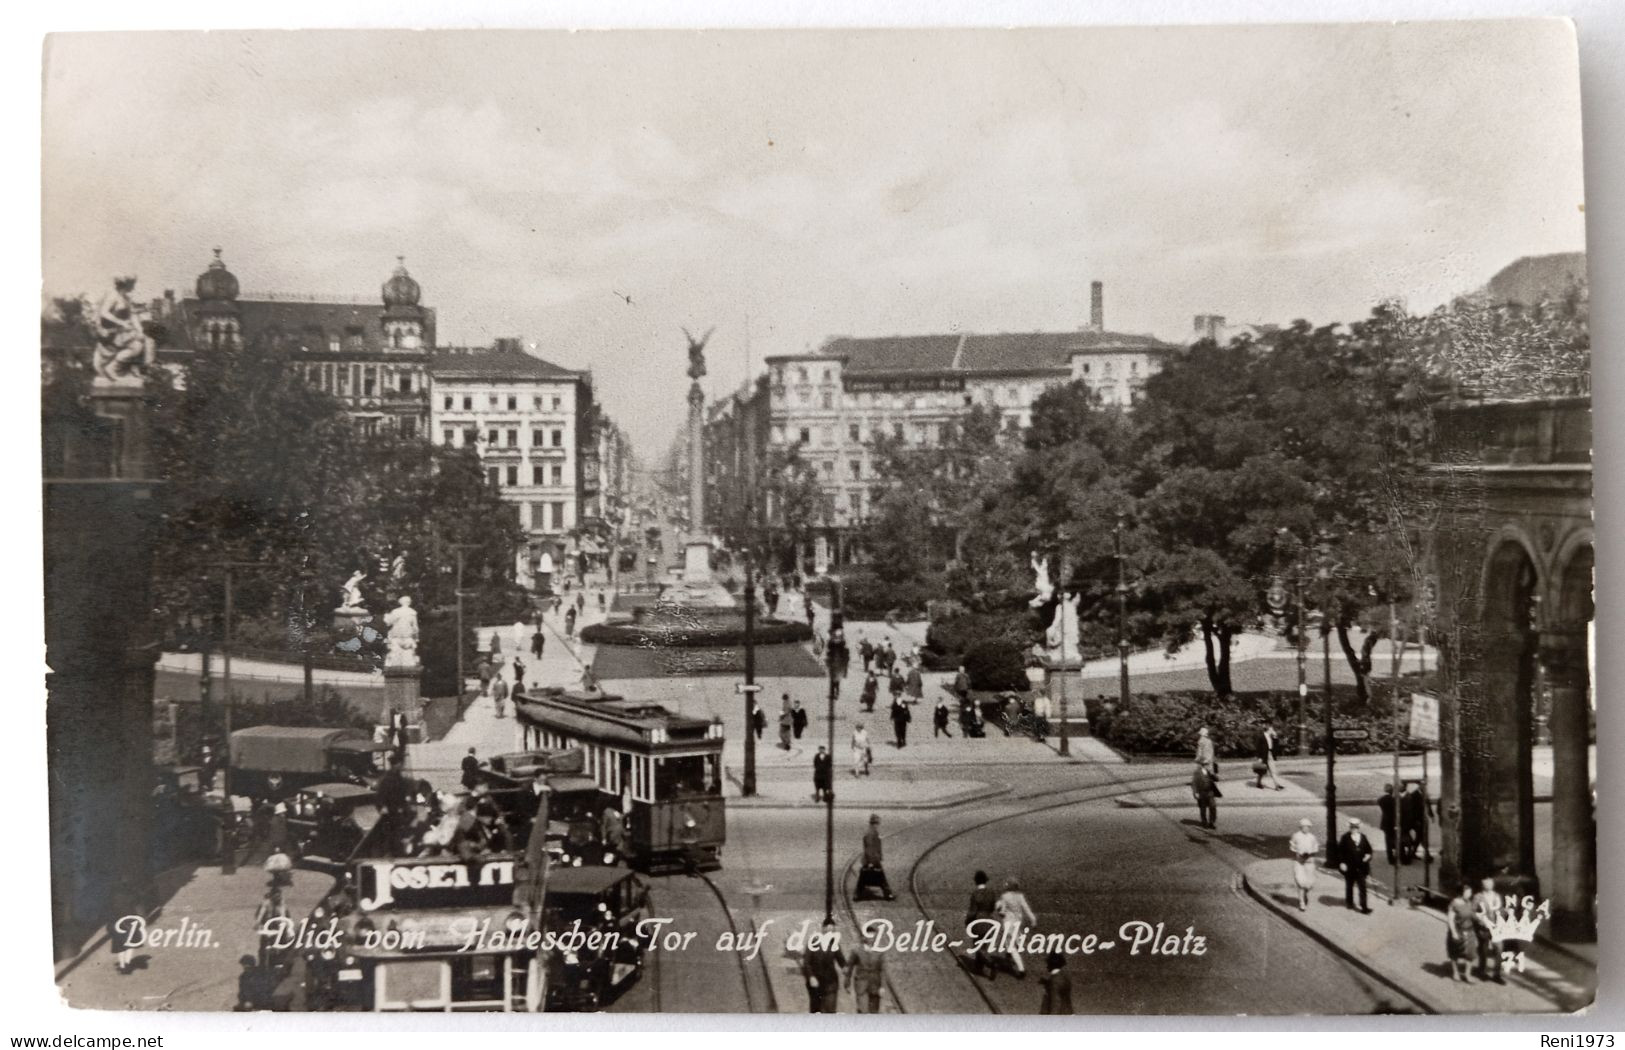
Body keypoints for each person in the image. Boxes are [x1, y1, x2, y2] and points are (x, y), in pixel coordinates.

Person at [995, 876, 1037, 978]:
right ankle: (1009, 957)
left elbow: (1002, 911)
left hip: (1008, 923)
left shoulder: (1005, 896)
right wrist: (1033, 920)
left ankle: (1021, 969)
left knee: (1010, 945)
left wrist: (999, 909)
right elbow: (1026, 908)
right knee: (1016, 941)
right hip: (1017, 923)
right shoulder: (1020, 896)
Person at [800, 919, 845, 1013]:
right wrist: (811, 977)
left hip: (830, 983)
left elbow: (841, 961)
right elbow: (806, 962)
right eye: (828, 931)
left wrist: (846, 968)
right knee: (816, 1011)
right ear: (822, 930)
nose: (830, 934)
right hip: (815, 983)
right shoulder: (813, 942)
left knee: (830, 1010)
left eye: (832, 931)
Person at [853, 814, 897, 901]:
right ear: (875, 823)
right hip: (872, 860)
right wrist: (871, 862)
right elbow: (870, 848)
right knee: (880, 878)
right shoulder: (872, 833)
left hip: (870, 859)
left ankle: (857, 895)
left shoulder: (870, 831)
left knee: (863, 879)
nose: (878, 825)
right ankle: (888, 894)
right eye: (877, 823)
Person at [845, 923, 887, 1013]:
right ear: (864, 937)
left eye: (874, 936)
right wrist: (847, 983)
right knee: (863, 1010)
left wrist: (882, 986)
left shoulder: (879, 952)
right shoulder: (856, 951)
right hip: (861, 985)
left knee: (874, 1012)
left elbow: (882, 970)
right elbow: (849, 967)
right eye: (870, 936)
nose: (872, 939)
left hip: (875, 986)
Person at [1472, 877, 1506, 983]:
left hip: (1496, 928)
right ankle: (1481, 971)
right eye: (1487, 884)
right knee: (1483, 949)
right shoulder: (1478, 897)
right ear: (1483, 885)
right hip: (1484, 927)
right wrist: (1481, 921)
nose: (1489, 885)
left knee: (1499, 949)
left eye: (1490, 883)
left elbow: (1501, 910)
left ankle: (1497, 974)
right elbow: (1473, 912)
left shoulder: (1497, 896)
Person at [1337, 817, 1374, 913]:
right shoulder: (1345, 838)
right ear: (1349, 827)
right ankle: (1349, 902)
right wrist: (1342, 863)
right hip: (1350, 867)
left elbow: (1369, 850)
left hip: (1361, 867)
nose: (1354, 829)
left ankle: (1364, 907)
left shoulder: (1363, 837)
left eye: (1356, 827)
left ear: (1359, 828)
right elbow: (1340, 852)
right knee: (1349, 885)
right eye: (1352, 827)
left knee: (1362, 887)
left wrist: (1368, 856)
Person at [965, 870, 998, 975]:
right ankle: (978, 968)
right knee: (984, 946)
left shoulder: (975, 894)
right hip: (989, 922)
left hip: (978, 923)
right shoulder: (991, 892)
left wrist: (967, 921)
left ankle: (991, 964)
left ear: (976, 881)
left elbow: (972, 912)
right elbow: (993, 907)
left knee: (978, 946)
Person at [1447, 882, 1478, 982]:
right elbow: (1450, 919)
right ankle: (1455, 972)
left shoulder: (1469, 902)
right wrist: (1453, 932)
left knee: (1471, 953)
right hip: (1458, 931)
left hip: (1469, 931)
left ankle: (1467, 974)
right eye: (1468, 892)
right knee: (1455, 952)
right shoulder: (1454, 903)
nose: (1470, 894)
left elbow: (1473, 915)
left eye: (1470, 892)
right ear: (1462, 893)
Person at [1288, 818, 1319, 911]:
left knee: (1309, 883)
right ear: (1301, 827)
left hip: (1309, 862)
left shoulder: (1312, 837)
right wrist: (1297, 852)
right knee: (1300, 882)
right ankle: (1301, 902)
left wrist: (1311, 853)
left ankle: (1305, 893)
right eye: (1304, 827)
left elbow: (1315, 847)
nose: (1306, 828)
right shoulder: (1296, 836)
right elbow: (1292, 847)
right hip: (1299, 862)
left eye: (1308, 827)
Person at [1400, 782, 1427, 864]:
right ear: (1420, 786)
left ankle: (1413, 852)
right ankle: (1410, 854)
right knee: (1417, 837)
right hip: (1414, 820)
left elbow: (1426, 804)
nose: (1425, 787)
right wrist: (1416, 820)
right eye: (1423, 785)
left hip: (1417, 820)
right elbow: (1413, 809)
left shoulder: (1422, 793)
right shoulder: (1414, 795)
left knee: (1420, 836)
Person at [1191, 762, 1219, 829]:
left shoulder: (1209, 772)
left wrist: (1213, 774)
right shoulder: (1197, 772)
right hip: (1202, 792)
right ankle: (1204, 822)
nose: (1207, 766)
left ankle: (1211, 822)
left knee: (1213, 807)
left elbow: (1217, 779)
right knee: (1203, 808)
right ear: (1202, 765)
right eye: (1206, 764)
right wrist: (1195, 792)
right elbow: (1194, 783)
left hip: (1210, 792)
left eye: (1208, 764)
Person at [1257, 721, 1284, 790]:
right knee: (1262, 770)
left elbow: (1276, 746)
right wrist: (1259, 757)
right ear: (1269, 729)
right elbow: (1258, 748)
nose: (1273, 730)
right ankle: (1258, 783)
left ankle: (1276, 785)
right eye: (1272, 729)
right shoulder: (1261, 737)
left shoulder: (1271, 737)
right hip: (1263, 755)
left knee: (1273, 770)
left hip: (1270, 754)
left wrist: (1275, 737)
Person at [1378, 783, 1399, 865]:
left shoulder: (1381, 800)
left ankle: (1390, 857)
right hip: (1392, 823)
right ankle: (1394, 856)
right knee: (1393, 839)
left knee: (1387, 841)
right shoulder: (1393, 800)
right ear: (1392, 791)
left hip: (1385, 822)